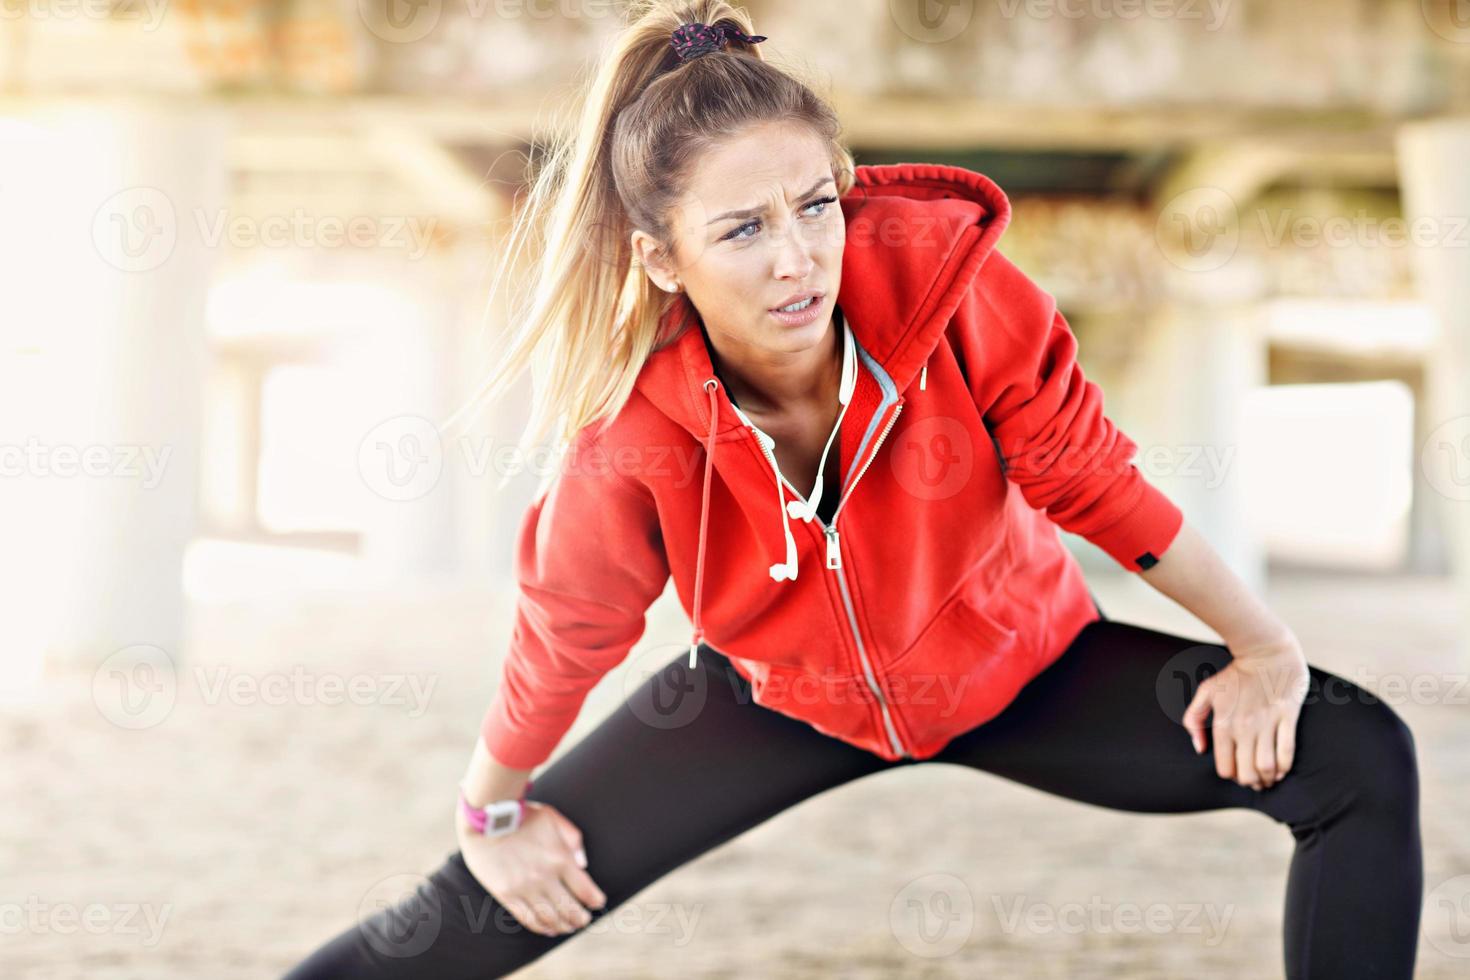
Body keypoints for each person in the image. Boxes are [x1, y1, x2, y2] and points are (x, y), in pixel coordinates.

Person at [282, 3, 1423, 978]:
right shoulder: (634, 429)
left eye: (813, 206)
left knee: (1358, 752)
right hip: (772, 699)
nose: (797, 258)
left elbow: (1092, 481)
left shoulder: (957, 298)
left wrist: (1262, 645)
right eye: (741, 228)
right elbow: (569, 626)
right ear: (661, 255)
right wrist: (490, 812)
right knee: (441, 926)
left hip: (1022, 667)